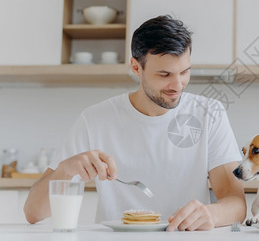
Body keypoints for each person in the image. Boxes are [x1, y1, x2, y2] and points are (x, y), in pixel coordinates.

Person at [24, 15, 246, 231]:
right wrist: (64, 170)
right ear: (136, 67)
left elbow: (235, 202)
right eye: (164, 74)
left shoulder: (210, 113)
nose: (178, 85)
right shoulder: (94, 120)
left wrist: (211, 214)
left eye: (185, 72)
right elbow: (33, 213)